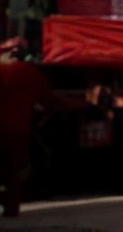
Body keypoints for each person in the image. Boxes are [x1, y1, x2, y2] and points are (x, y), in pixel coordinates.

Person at [0, 37, 83, 217]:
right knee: (16, 171)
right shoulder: (27, 72)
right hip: (16, 133)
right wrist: (84, 104)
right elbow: (50, 101)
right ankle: (10, 209)